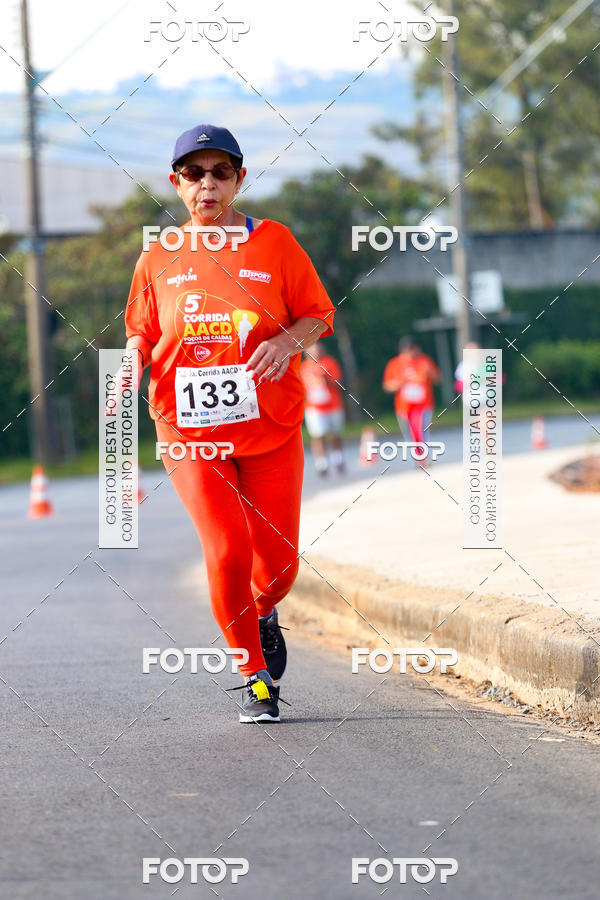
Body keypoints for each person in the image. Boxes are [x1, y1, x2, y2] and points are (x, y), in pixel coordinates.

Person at [122, 125, 335, 723]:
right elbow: (141, 329)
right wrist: (129, 366)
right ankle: (255, 678)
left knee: (279, 566)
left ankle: (262, 612)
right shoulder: (159, 253)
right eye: (195, 173)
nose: (207, 184)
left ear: (240, 179)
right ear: (177, 183)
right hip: (188, 430)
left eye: (220, 172)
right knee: (226, 549)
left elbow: (319, 314)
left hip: (270, 425)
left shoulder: (275, 244)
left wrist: (289, 342)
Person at [382, 336, 440, 463]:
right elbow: (387, 386)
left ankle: (425, 458)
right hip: (404, 406)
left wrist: (429, 372)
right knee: (409, 432)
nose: (411, 352)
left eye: (413, 348)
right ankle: (417, 458)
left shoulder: (425, 360)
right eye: (407, 349)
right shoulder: (395, 364)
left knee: (423, 430)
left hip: (423, 404)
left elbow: (437, 379)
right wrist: (400, 383)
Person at [299, 341, 345, 475]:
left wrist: (325, 378)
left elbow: (338, 382)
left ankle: (338, 460)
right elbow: (301, 387)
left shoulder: (329, 363)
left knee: (335, 434)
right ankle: (322, 463)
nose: (316, 353)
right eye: (312, 350)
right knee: (318, 435)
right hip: (314, 407)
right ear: (307, 353)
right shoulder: (304, 367)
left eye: (318, 350)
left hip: (333, 405)